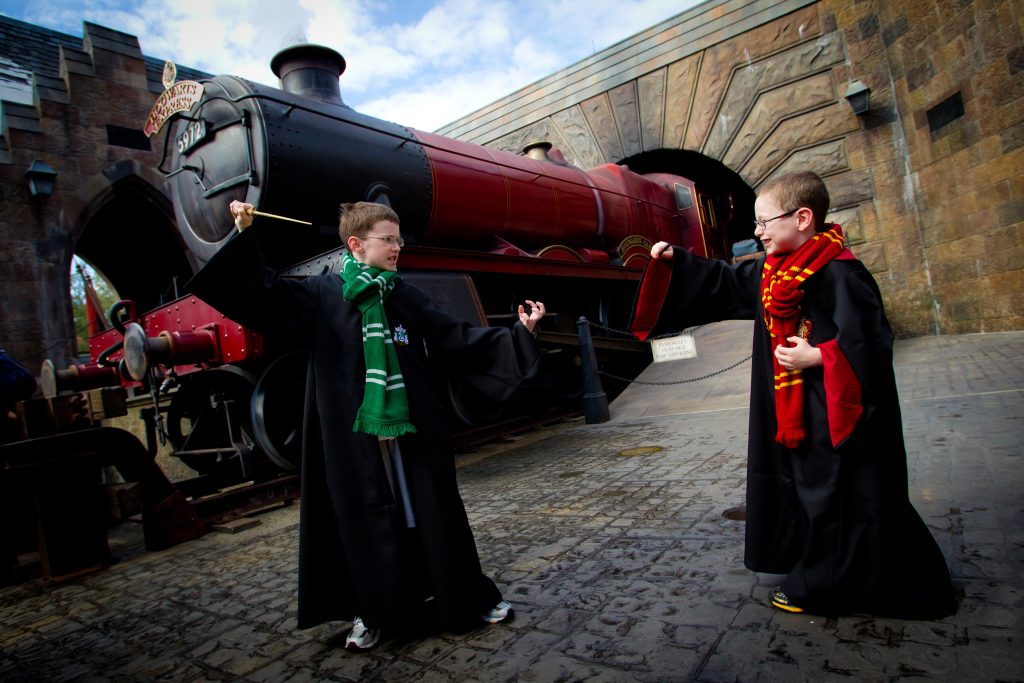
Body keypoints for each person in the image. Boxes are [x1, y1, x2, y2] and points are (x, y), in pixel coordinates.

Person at [188, 200, 546, 650]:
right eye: (388, 239)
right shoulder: (322, 294)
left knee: (436, 514)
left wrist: (521, 333)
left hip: (414, 431)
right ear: (356, 244)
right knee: (361, 519)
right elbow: (261, 293)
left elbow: (458, 340)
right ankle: (373, 613)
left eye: (398, 239)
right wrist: (244, 234)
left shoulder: (406, 295)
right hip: (352, 437)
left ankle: (466, 598)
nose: (398, 247)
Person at [630, 171, 955, 618]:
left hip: (834, 411)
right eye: (757, 224)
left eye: (765, 222)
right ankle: (835, 570)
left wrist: (820, 357)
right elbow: (724, 282)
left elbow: (873, 343)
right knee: (812, 492)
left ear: (803, 217)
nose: (758, 232)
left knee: (834, 494)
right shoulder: (774, 269)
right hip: (794, 409)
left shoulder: (841, 272)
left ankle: (824, 587)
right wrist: (675, 262)